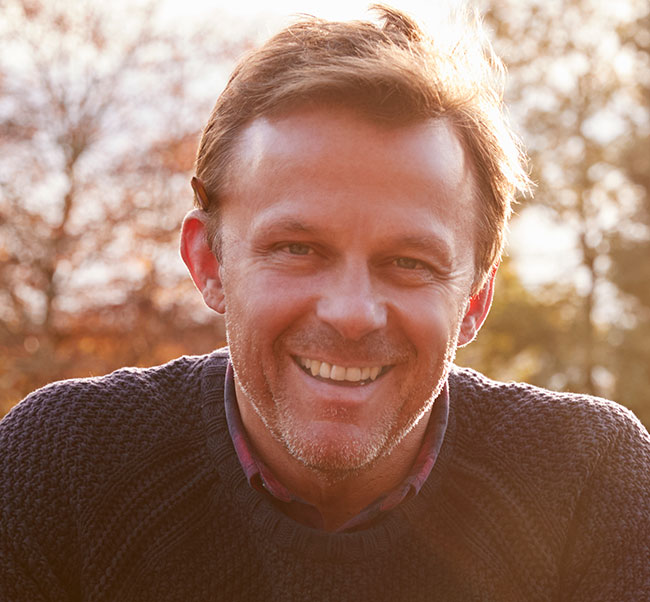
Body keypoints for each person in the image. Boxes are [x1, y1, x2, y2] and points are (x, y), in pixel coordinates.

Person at [1, 5, 648, 601]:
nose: (351, 312)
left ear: (476, 296)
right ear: (209, 263)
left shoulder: (591, 483)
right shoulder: (62, 469)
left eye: (408, 263)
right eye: (297, 249)